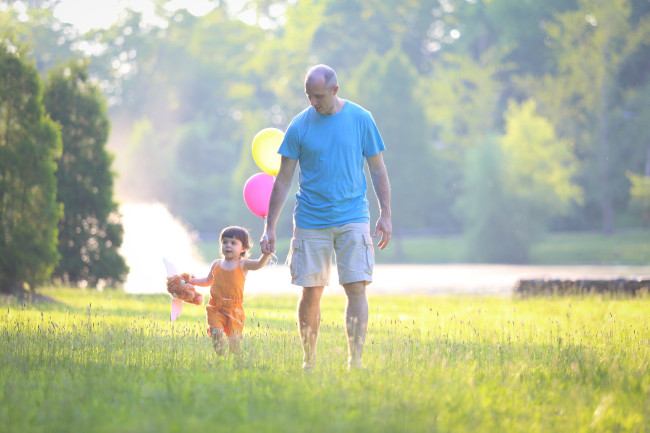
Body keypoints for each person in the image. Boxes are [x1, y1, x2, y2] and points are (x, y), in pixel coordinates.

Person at [260, 64, 392, 371]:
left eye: (318, 96)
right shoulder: (299, 126)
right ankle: (309, 361)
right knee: (311, 290)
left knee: (356, 286)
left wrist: (386, 213)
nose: (313, 102)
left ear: (335, 90)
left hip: (352, 215)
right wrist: (269, 227)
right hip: (310, 219)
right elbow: (283, 180)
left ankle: (355, 362)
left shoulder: (361, 119)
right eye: (308, 96)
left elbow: (377, 168)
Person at [187, 226, 271, 356]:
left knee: (234, 341)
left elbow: (259, 264)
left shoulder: (243, 265)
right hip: (216, 307)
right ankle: (221, 358)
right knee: (216, 332)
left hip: (234, 310)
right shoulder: (216, 264)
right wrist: (192, 281)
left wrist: (266, 254)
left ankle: (234, 360)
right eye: (225, 242)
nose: (228, 246)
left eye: (233, 243)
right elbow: (207, 280)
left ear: (243, 248)